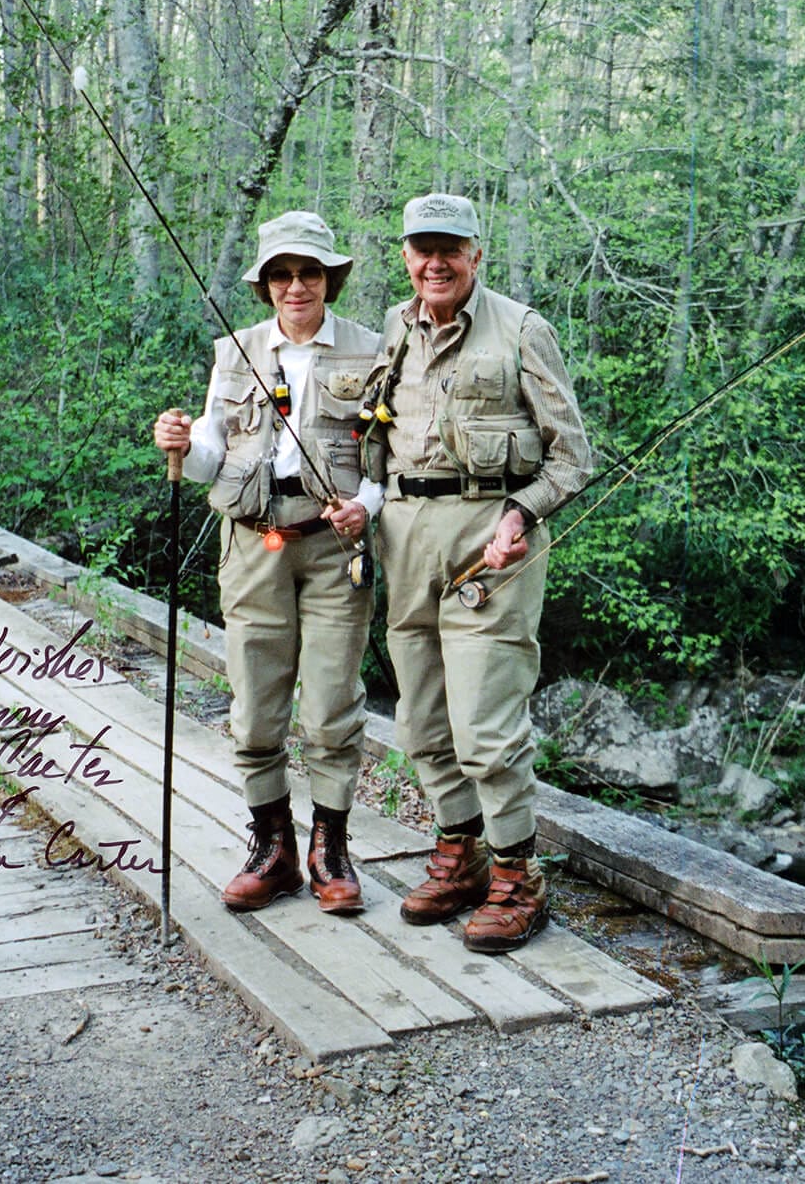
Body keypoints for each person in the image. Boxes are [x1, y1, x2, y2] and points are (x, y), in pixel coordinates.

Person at [365, 192, 592, 954]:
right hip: (404, 535)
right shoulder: (394, 330)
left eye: (450, 249)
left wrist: (519, 516)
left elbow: (573, 458)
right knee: (421, 719)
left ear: (475, 255)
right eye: (422, 248)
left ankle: (517, 876)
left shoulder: (524, 329)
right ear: (405, 254)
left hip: (490, 541)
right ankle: (458, 852)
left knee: (487, 726)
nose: (435, 262)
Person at [153, 211, 382, 916]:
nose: (296, 286)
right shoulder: (234, 351)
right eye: (282, 274)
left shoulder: (373, 350)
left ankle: (331, 848)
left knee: (333, 704)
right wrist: (180, 444)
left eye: (309, 272)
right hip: (252, 543)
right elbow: (212, 458)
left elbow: (389, 462)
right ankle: (272, 846)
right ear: (266, 285)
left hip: (334, 548)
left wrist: (365, 507)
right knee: (254, 707)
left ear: (329, 280)